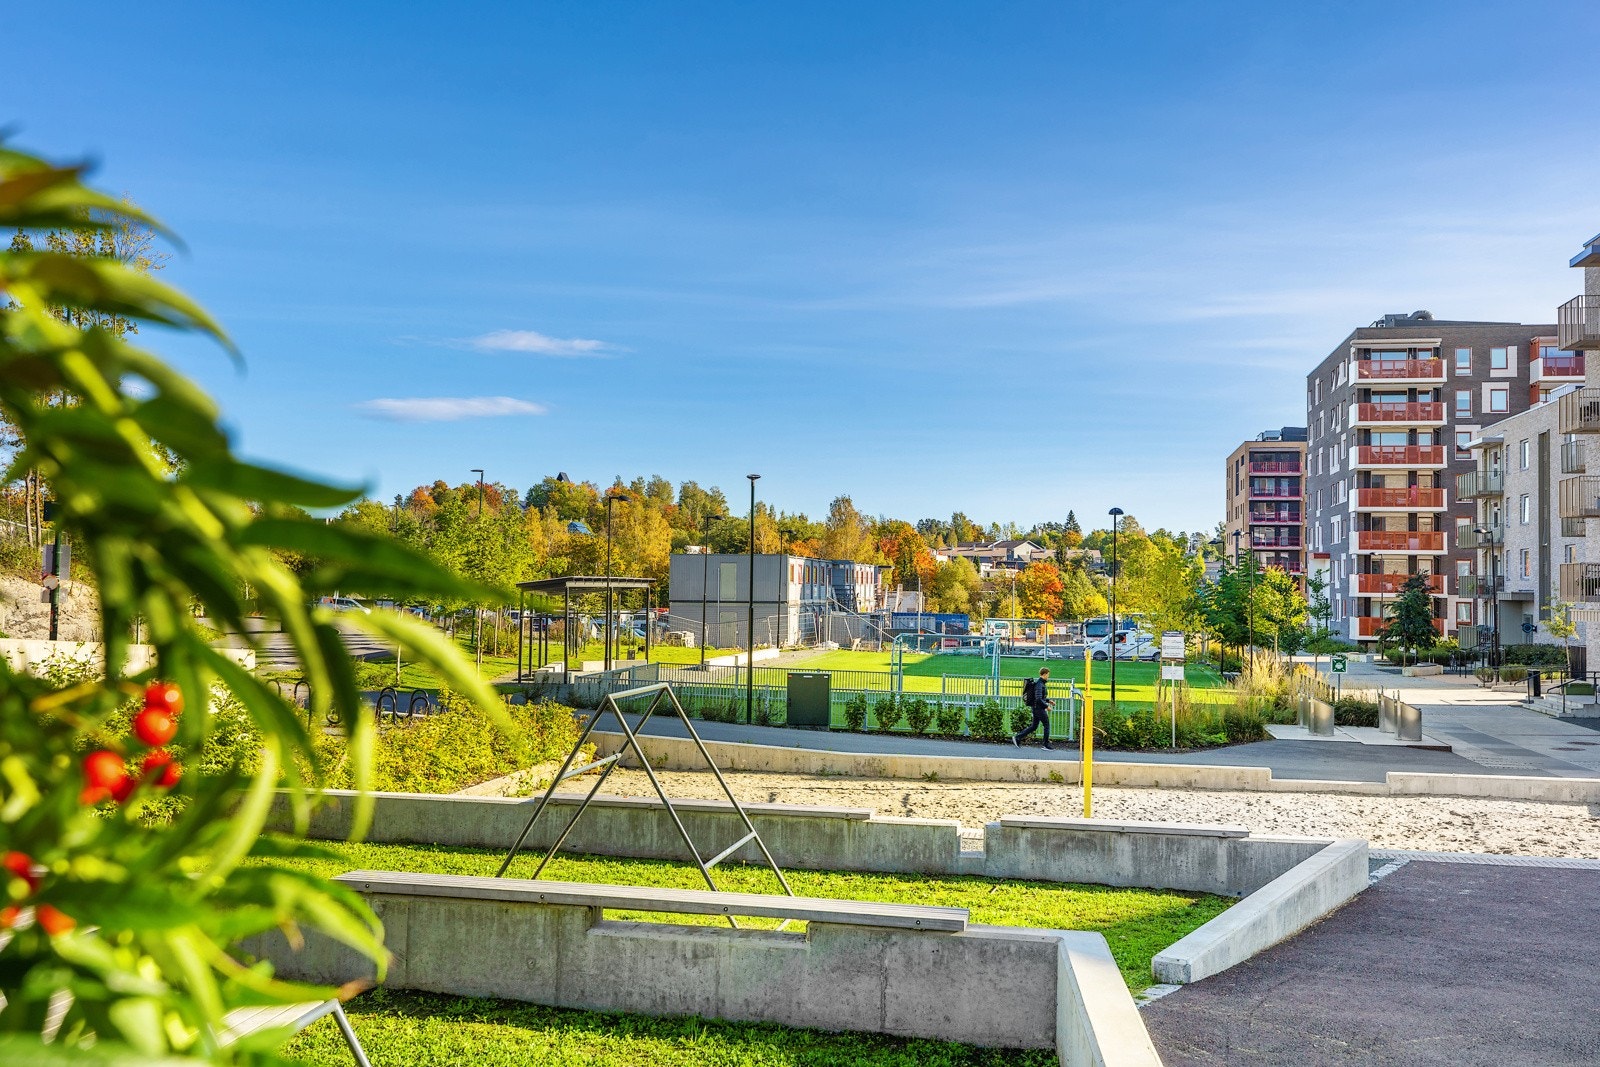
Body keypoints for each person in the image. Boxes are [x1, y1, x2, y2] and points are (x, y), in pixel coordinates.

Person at [1012, 666, 1053, 749]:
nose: (1048, 676)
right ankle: (1045, 745)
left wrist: (1048, 701)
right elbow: (1038, 699)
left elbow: (1039, 697)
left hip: (1036, 708)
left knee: (1034, 726)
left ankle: (1017, 737)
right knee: (1046, 725)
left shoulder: (1040, 683)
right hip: (1039, 709)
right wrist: (1046, 706)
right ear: (1044, 674)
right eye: (1048, 675)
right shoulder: (1039, 684)